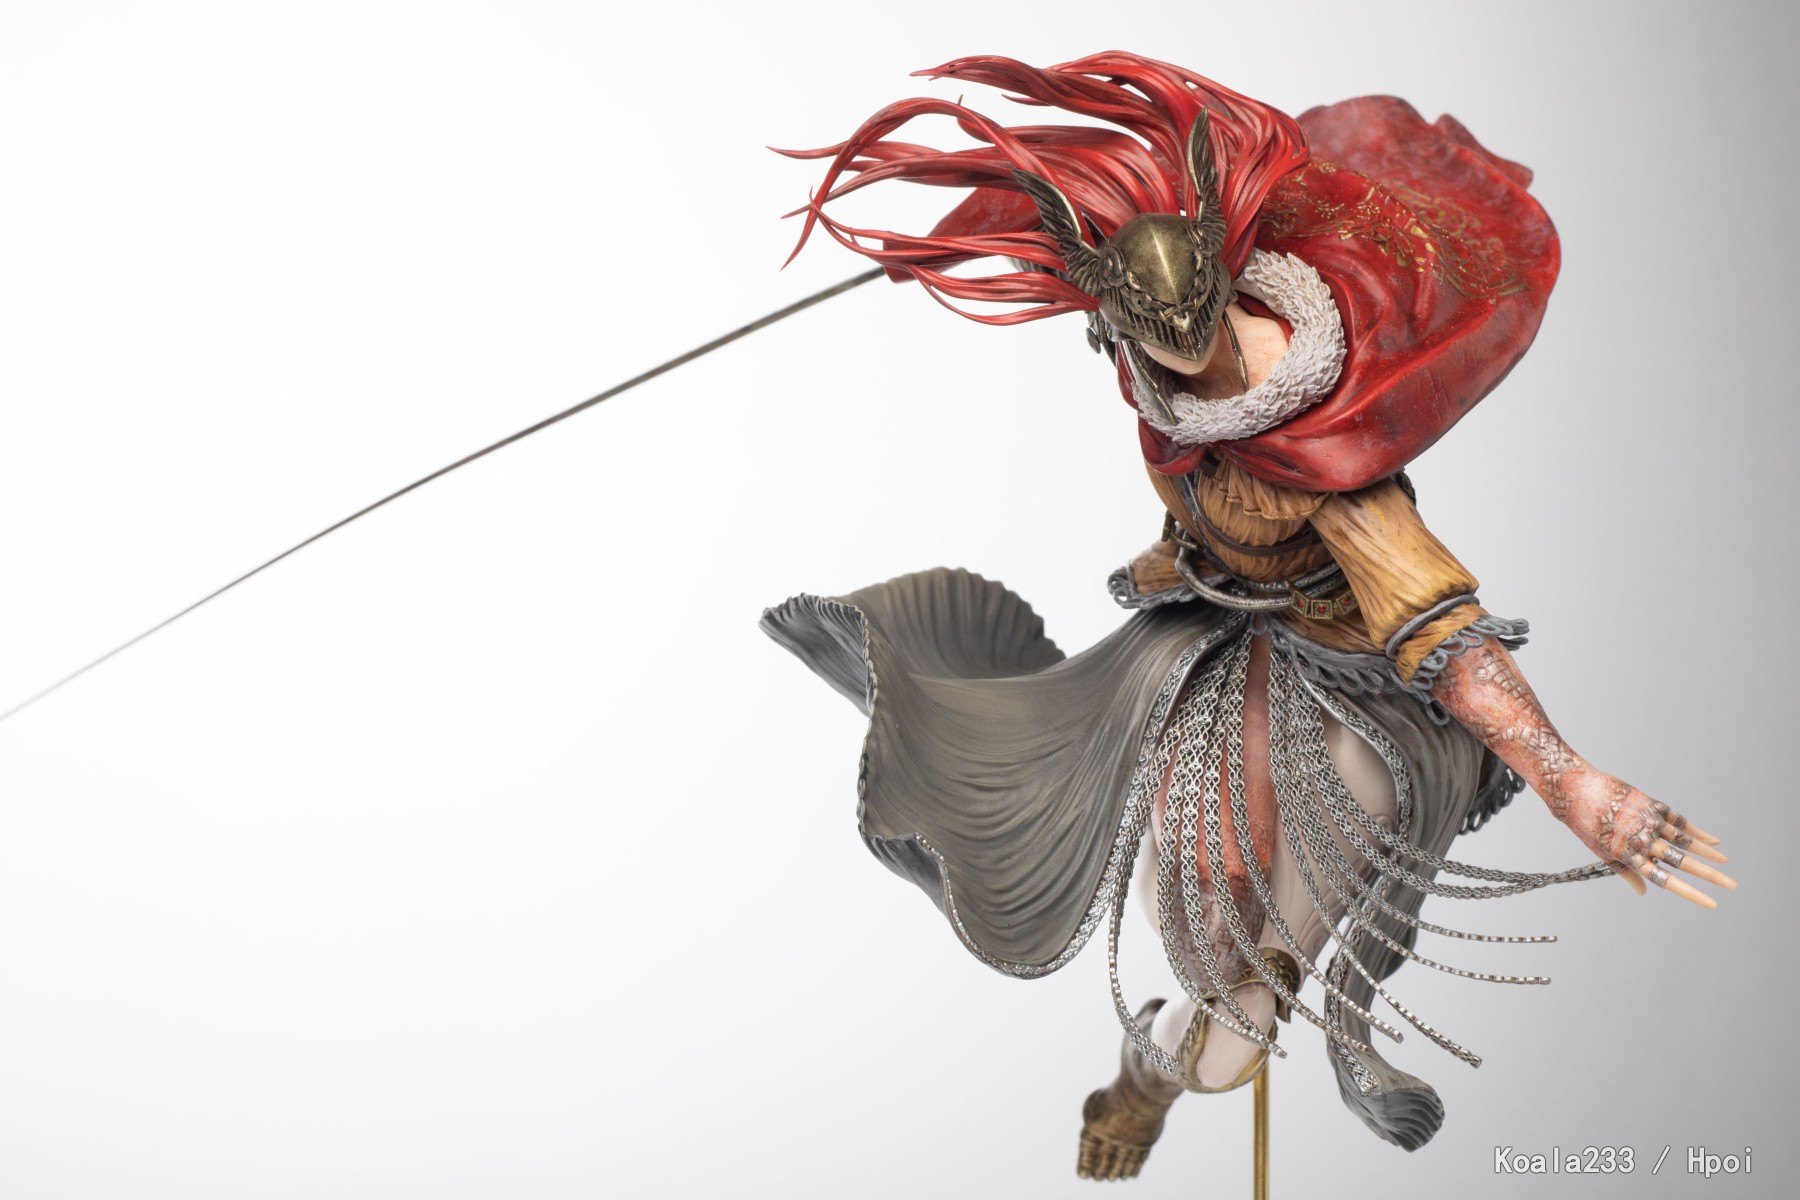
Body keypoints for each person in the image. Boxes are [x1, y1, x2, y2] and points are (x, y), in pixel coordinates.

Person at [762, 52, 1732, 1180]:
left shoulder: (1325, 451)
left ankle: (1169, 1064)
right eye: (1149, 337)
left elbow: (1439, 623)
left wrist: (1572, 783)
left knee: (1241, 1021)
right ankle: (1157, 1057)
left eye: (1197, 326)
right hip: (1208, 641)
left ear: (1226, 289)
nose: (1184, 356)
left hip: (1352, 684)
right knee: (1179, 922)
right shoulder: (1146, 366)